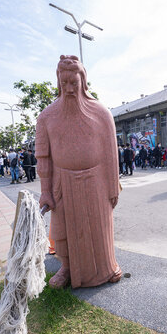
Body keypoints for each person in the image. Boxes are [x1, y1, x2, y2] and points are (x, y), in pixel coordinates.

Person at [36, 55, 122, 289]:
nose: (70, 89)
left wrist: (113, 187)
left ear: (83, 81)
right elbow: (43, 158)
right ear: (58, 84)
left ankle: (107, 267)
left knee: (98, 230)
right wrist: (45, 191)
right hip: (62, 182)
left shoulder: (101, 113)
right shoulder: (46, 117)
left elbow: (111, 153)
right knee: (62, 230)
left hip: (96, 181)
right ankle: (66, 268)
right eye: (64, 84)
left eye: (74, 83)